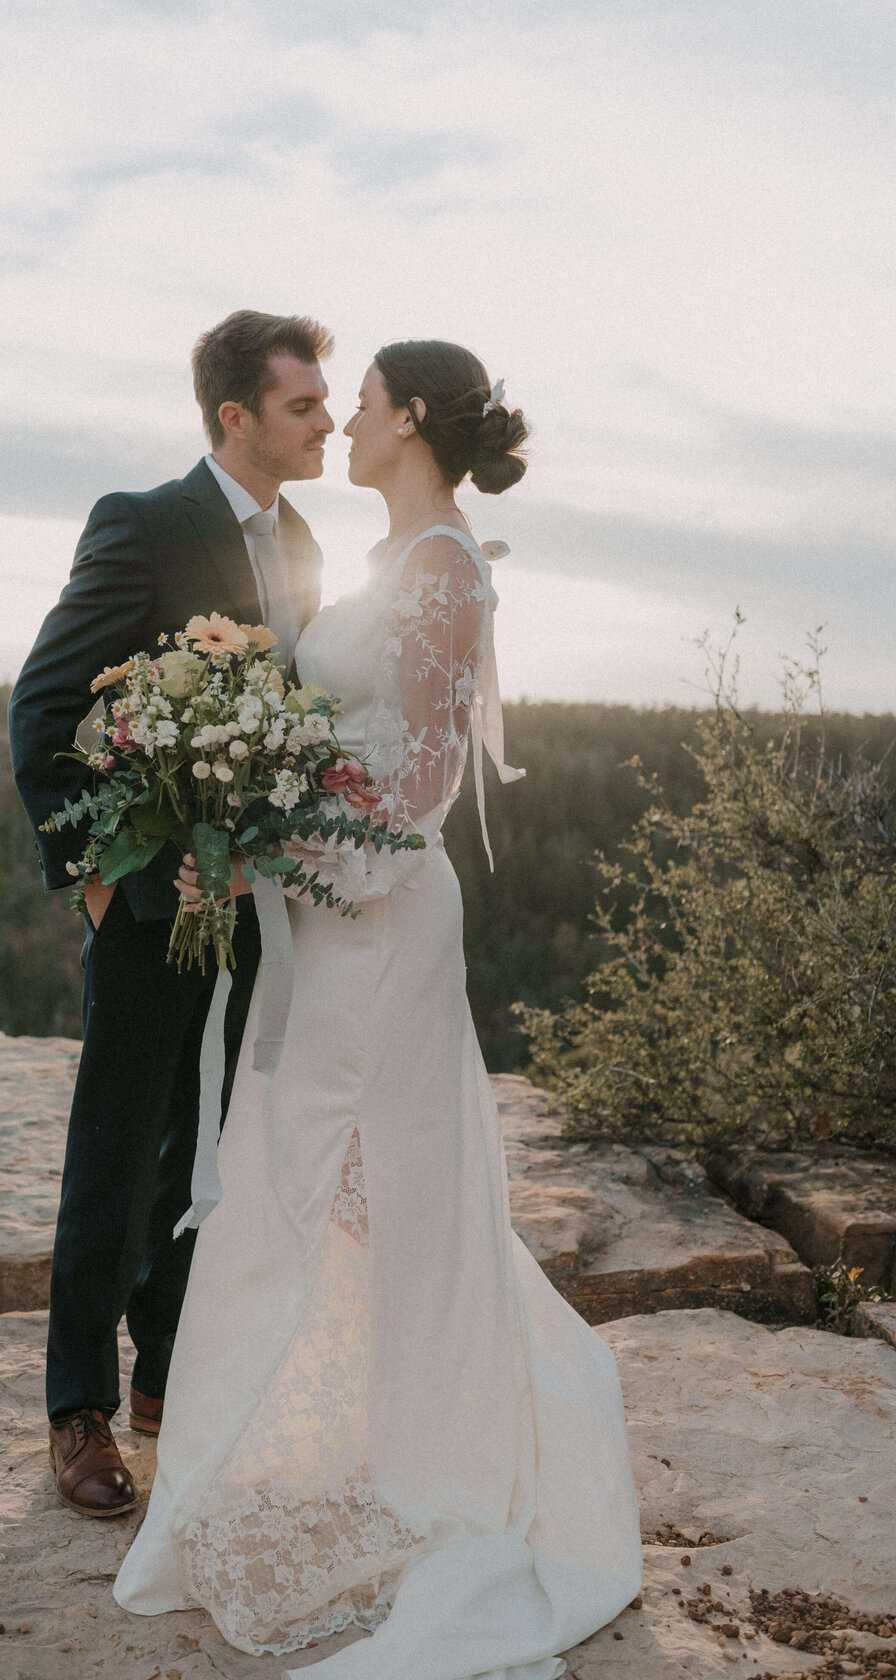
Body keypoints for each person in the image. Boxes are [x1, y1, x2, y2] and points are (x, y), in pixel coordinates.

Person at [113, 341, 643, 1679]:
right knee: (297, 1181)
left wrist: (265, 835)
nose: (342, 419)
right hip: (324, 930)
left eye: (359, 403)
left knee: (397, 1194)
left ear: (409, 418)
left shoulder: (450, 568)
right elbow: (334, 743)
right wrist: (228, 815)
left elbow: (416, 786)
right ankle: (285, 1449)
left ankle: (446, 1463)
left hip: (386, 925)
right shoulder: (384, 564)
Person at [8, 309, 334, 1518]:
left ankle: (168, 1378)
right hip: (149, 900)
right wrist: (99, 874)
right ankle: (77, 1407)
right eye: (304, 404)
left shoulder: (301, 537)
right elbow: (41, 711)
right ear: (234, 416)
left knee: (210, 1140)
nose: (327, 419)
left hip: (259, 905)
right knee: (120, 1139)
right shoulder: (142, 522)